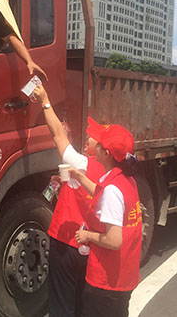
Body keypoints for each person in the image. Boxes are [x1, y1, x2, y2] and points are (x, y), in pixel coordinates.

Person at [33, 84, 106, 317]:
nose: (87, 137)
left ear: (101, 148)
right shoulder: (111, 175)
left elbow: (57, 134)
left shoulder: (81, 164)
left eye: (92, 137)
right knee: (81, 301)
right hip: (90, 247)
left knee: (62, 304)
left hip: (66, 244)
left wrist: (45, 100)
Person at [72, 124, 142, 317]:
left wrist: (87, 235)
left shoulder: (112, 190)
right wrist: (80, 177)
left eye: (100, 144)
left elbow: (114, 240)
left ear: (107, 153)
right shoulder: (125, 181)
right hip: (124, 276)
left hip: (106, 280)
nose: (95, 145)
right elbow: (102, 194)